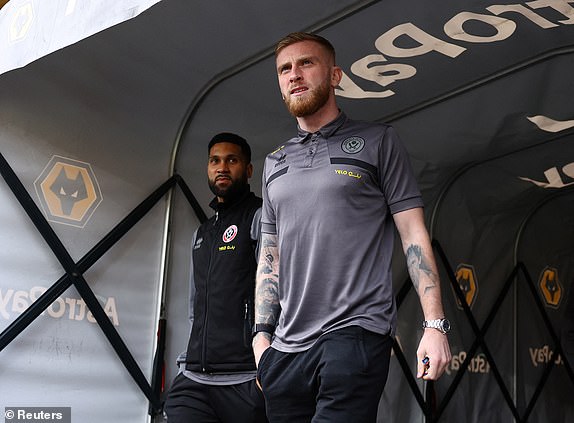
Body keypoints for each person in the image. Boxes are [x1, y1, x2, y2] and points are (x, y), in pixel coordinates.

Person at [252, 32, 452, 422]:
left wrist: (435, 325)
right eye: (284, 69)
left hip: (355, 332)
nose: (294, 75)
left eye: (306, 63)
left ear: (335, 75)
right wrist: (261, 338)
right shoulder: (274, 162)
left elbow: (413, 234)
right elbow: (270, 254)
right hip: (286, 348)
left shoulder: (379, 141)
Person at [165, 133, 267, 423]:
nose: (222, 167)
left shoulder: (260, 217)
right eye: (215, 161)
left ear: (247, 170)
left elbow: (279, 294)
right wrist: (188, 360)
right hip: (195, 378)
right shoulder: (202, 232)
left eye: (231, 160)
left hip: (246, 378)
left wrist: (268, 370)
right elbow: (194, 306)